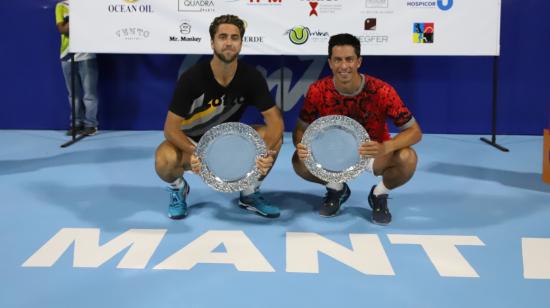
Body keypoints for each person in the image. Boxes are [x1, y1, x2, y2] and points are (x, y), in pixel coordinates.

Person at [155, 15, 284, 220]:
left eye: (234, 37)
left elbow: (275, 121)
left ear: (241, 44)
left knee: (273, 135)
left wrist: (263, 154)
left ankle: (249, 194)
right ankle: (179, 188)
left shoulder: (251, 77)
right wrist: (196, 151)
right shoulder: (192, 78)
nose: (228, 42)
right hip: (192, 144)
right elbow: (170, 129)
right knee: (164, 159)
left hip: (227, 143)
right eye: (223, 37)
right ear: (212, 42)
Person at [292, 33, 422, 225]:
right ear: (330, 63)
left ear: (359, 62)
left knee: (408, 158)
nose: (343, 66)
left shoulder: (382, 91)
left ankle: (379, 194)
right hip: (333, 155)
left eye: (349, 59)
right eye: (337, 60)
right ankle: (336, 188)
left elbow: (415, 132)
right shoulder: (317, 90)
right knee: (299, 161)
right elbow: (300, 128)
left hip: (373, 153)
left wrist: (385, 147)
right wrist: (301, 145)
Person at [55, 0, 99, 136]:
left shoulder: (89, 4)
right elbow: (62, 29)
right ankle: (76, 124)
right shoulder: (61, 6)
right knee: (73, 94)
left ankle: (91, 125)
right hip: (67, 55)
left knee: (89, 94)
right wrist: (78, 17)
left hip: (87, 54)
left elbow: (94, 26)